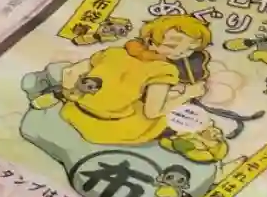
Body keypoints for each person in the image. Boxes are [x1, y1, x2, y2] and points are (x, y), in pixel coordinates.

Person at [41, 14, 212, 147]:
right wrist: (188, 94)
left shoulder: (115, 52)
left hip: (74, 112)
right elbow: (152, 112)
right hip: (110, 128)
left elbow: (70, 72)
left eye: (190, 49)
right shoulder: (163, 69)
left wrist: (75, 95)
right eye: (173, 46)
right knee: (164, 116)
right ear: (151, 41)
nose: (182, 53)